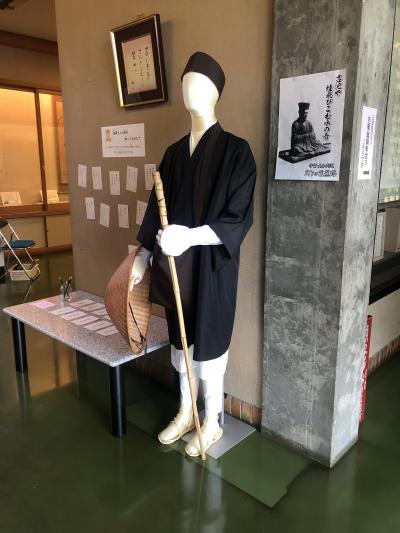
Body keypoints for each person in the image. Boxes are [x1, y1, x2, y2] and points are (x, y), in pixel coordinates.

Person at [130, 51, 256, 457]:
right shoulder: (172, 154)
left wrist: (191, 237)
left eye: (198, 82)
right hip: (176, 267)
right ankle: (186, 412)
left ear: (216, 92)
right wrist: (143, 256)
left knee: (210, 345)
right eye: (185, 81)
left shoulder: (237, 152)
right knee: (179, 342)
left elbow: (237, 217)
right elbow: (155, 211)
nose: (189, 89)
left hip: (214, 268)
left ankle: (212, 420)